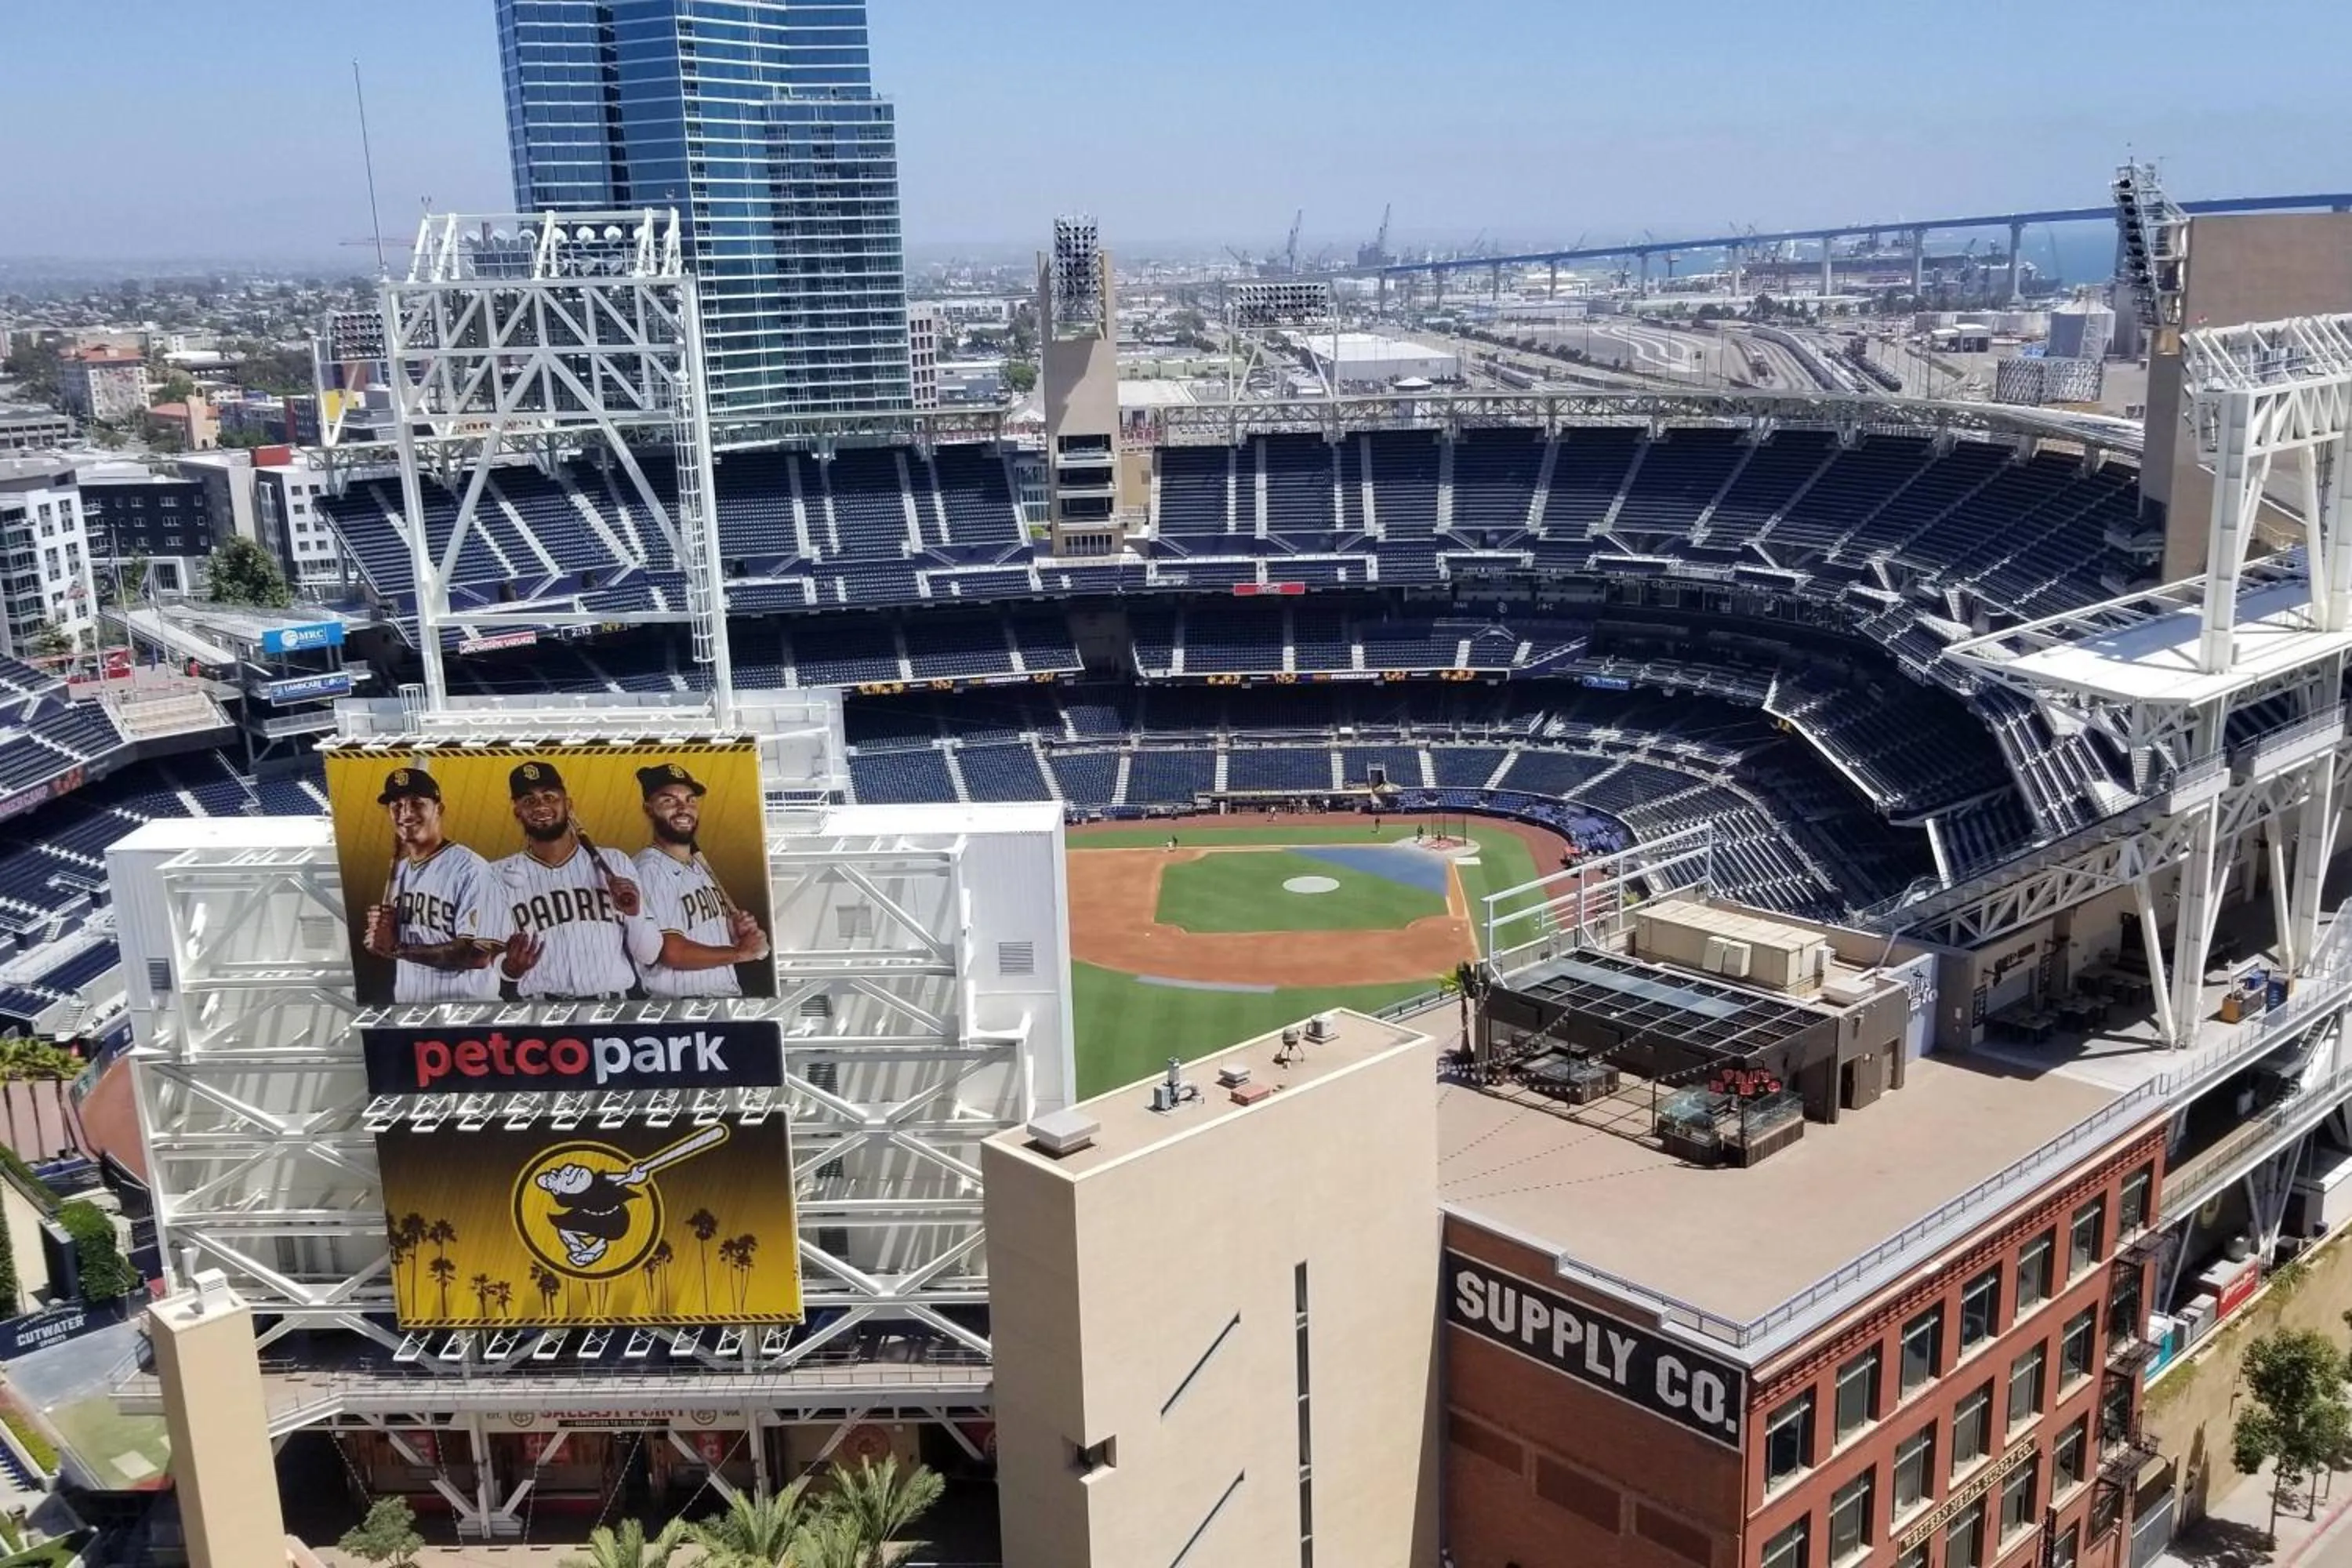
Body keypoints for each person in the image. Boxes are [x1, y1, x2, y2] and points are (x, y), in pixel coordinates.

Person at [492, 760, 662, 1000]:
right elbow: (489, 958)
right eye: (529, 801)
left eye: (550, 797)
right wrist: (511, 968)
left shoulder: (615, 862)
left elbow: (649, 954)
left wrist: (635, 912)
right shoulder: (497, 876)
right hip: (543, 1015)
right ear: (517, 812)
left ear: (568, 805)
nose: (540, 806)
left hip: (611, 1010)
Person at [361, 768, 507, 1003]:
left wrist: (397, 949)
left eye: (416, 803)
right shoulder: (399, 872)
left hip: (469, 1013)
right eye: (397, 806)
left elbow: (477, 954)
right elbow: (398, 941)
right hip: (412, 1011)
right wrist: (380, 934)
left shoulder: (471, 869)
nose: (405, 813)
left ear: (438, 809)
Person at [631, 761, 768, 998]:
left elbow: (703, 936)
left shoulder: (699, 867)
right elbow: (671, 951)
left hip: (720, 1000)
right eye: (669, 801)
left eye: (690, 800)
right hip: (679, 1008)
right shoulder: (649, 869)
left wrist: (736, 934)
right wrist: (740, 953)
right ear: (648, 809)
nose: (683, 808)